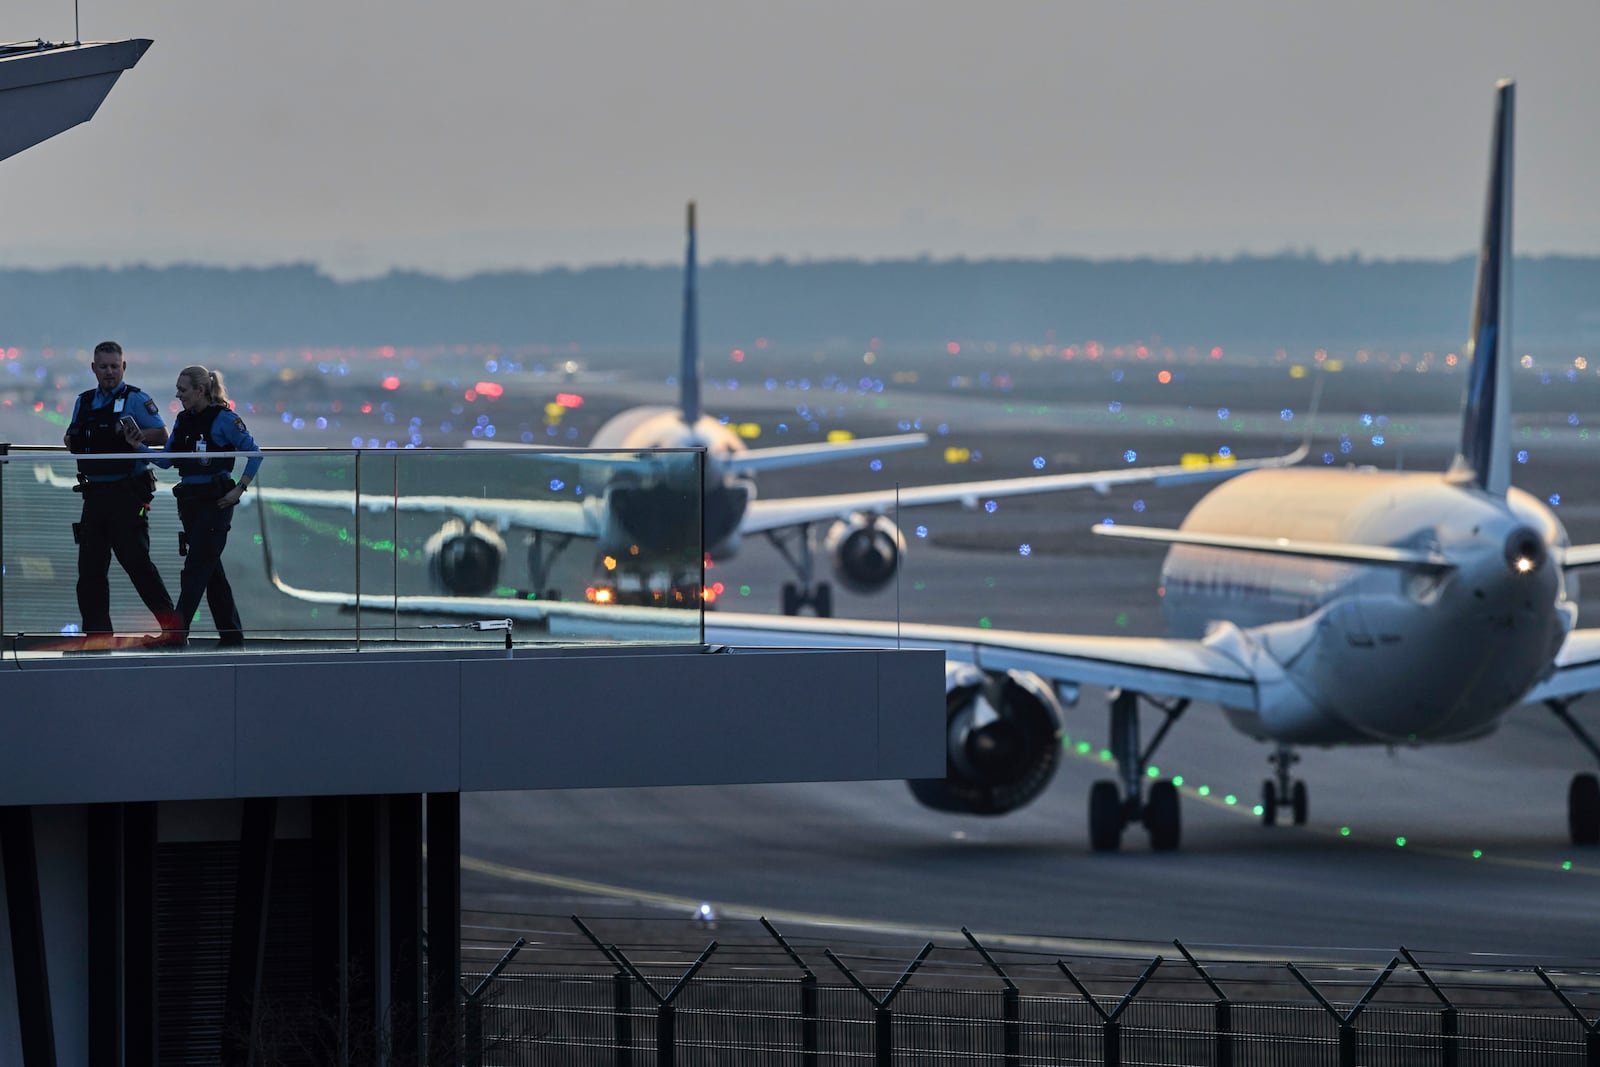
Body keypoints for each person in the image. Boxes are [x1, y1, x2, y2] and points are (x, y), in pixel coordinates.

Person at [129, 365, 262, 647]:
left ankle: (175, 635)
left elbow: (254, 454)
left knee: (195, 569)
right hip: (190, 503)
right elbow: (166, 460)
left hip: (216, 502)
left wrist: (240, 489)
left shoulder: (224, 419)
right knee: (211, 572)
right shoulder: (183, 421)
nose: (178, 395)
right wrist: (138, 446)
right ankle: (232, 636)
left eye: (183, 390)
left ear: (200, 390)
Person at [63, 340, 180, 640]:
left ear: (123, 367)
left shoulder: (136, 399)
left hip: (128, 495)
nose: (109, 372)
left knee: (138, 566)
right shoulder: (85, 402)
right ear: (94, 369)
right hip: (94, 495)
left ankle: (173, 631)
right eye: (103, 367)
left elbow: (161, 435)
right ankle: (97, 638)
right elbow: (74, 434)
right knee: (90, 573)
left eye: (115, 366)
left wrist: (133, 435)